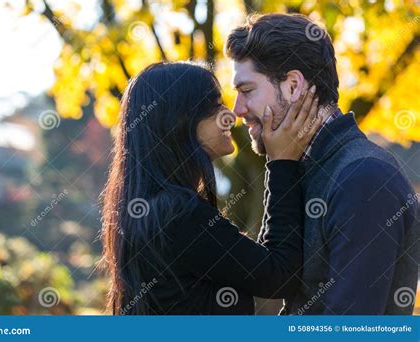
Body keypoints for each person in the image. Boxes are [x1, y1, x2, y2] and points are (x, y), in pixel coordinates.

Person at [225, 13, 419, 314]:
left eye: (246, 90)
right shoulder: (304, 169)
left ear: (293, 85)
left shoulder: (363, 178)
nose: (237, 110)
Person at [100, 61, 321, 314]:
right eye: (216, 106)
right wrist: (282, 163)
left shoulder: (155, 211)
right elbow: (279, 275)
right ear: (179, 120)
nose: (231, 114)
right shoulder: (181, 215)